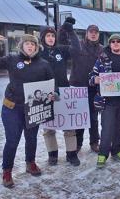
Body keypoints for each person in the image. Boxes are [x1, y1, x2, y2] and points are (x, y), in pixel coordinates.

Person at [0, 34, 54, 188]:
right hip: (12, 108)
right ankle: (7, 170)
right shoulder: (11, 59)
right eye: (27, 44)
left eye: (33, 44)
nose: (30, 46)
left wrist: (54, 94)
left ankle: (30, 163)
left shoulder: (44, 64)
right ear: (21, 46)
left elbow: (52, 85)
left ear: (37, 47)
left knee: (31, 138)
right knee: (12, 140)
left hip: (33, 108)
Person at [89, 34, 120, 168]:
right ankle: (103, 153)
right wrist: (95, 80)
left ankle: (116, 151)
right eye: (113, 42)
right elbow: (92, 76)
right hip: (107, 101)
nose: (116, 43)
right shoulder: (102, 58)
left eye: (118, 41)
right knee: (107, 128)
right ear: (110, 44)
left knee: (119, 127)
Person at [59, 18, 103, 153]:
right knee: (79, 117)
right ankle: (78, 143)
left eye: (95, 32)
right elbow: (61, 42)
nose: (93, 34)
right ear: (86, 33)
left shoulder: (102, 49)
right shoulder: (78, 45)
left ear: (98, 34)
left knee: (93, 117)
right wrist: (63, 28)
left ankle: (94, 142)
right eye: (91, 32)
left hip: (94, 88)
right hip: (78, 87)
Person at [39, 26, 80, 166]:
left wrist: (71, 31)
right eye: (48, 36)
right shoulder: (38, 52)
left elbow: (76, 49)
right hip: (46, 94)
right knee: (49, 128)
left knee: (69, 126)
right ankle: (52, 154)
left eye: (53, 36)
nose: (51, 38)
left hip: (63, 92)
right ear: (43, 38)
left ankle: (71, 154)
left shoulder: (60, 50)